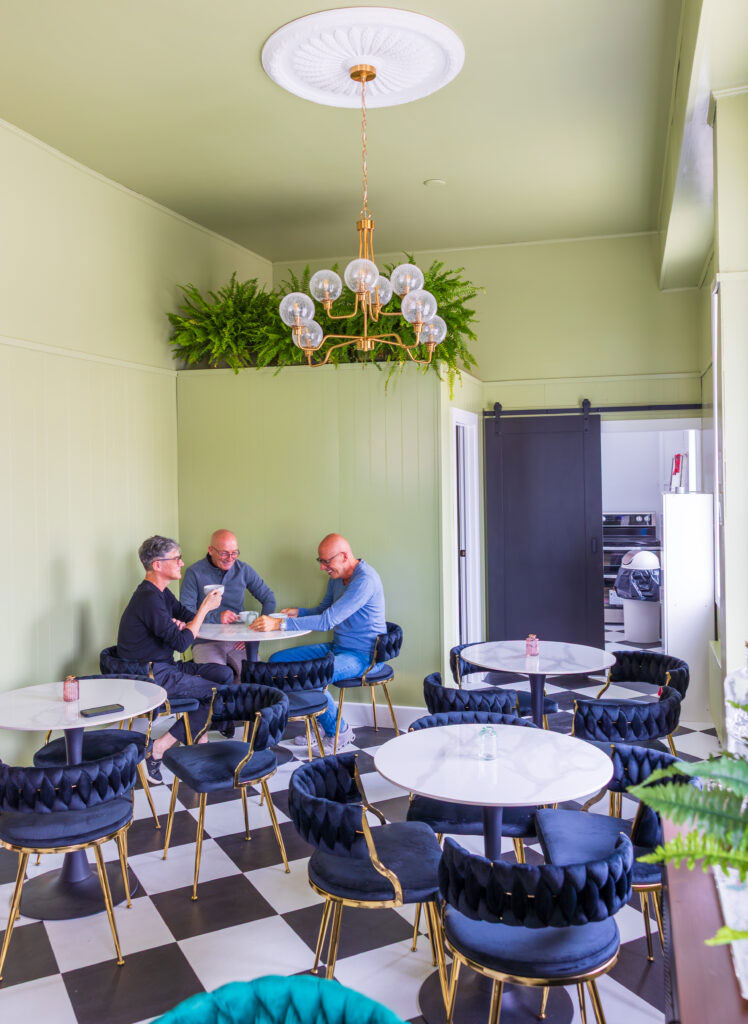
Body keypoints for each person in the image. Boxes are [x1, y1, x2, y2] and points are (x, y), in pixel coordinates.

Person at [251, 533, 386, 753]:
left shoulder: (365, 581)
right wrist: (299, 613)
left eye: (326, 561)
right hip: (338, 648)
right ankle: (324, 720)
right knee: (278, 661)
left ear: (344, 556)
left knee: (309, 674)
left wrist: (279, 624)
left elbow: (327, 621)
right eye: (320, 561)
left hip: (364, 656)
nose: (323, 567)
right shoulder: (336, 578)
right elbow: (324, 610)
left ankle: (339, 730)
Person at [116, 535, 234, 784]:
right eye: (176, 559)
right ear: (157, 564)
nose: (181, 563)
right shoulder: (148, 598)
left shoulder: (160, 593)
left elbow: (186, 617)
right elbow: (182, 643)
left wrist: (189, 621)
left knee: (224, 674)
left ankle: (198, 736)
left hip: (164, 667)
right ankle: (159, 748)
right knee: (215, 693)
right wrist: (204, 609)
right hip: (149, 675)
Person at [180, 529, 275, 682]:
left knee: (256, 678)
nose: (230, 558)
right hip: (205, 641)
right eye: (224, 553)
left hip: (238, 641)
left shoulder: (244, 570)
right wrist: (217, 617)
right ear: (211, 550)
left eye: (234, 553)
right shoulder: (194, 572)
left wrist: (257, 633)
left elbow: (269, 599)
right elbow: (186, 611)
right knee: (218, 680)